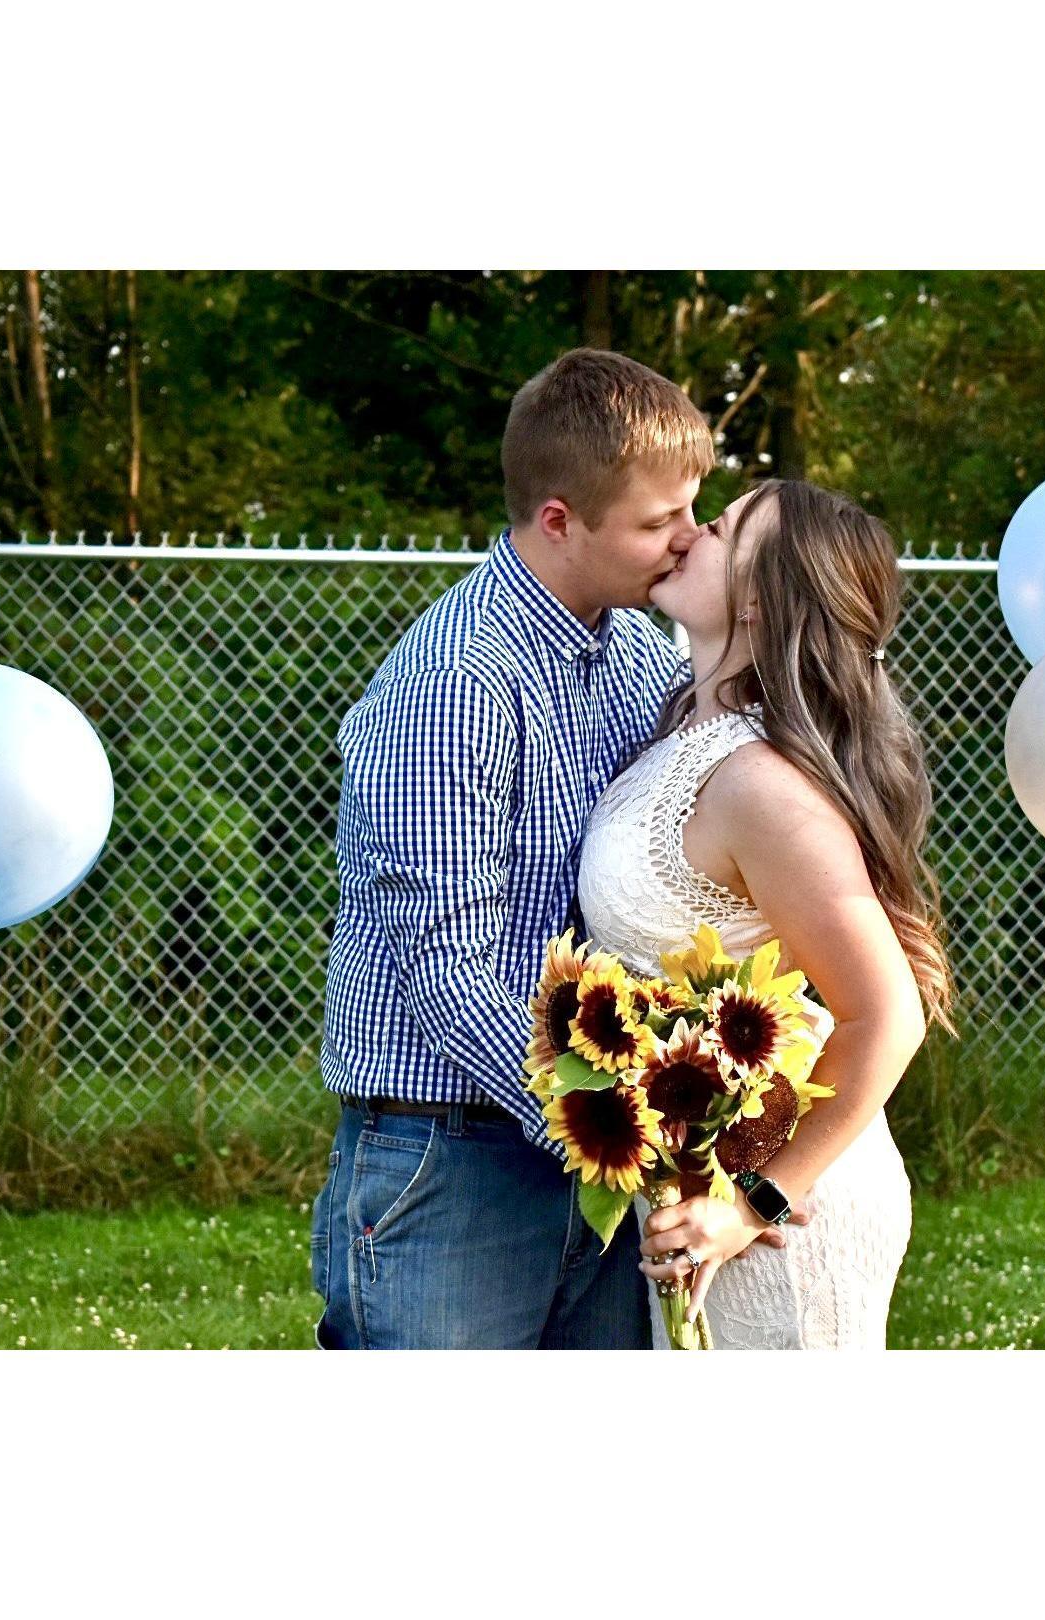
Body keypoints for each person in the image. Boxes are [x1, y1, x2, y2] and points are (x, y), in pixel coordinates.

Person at [310, 348, 718, 1349]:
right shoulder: (457, 683)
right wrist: (618, 1132)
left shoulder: (632, 653)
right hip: (452, 1167)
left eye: (693, 510)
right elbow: (449, 972)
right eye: (659, 521)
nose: (688, 540)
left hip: (586, 1162)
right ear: (558, 521)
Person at [577, 479, 955, 1349]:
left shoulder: (760, 787)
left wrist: (755, 1204)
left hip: (780, 1219)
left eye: (715, 528)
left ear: (757, 599)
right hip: (695, 1192)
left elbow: (885, 1014)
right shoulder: (679, 724)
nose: (684, 533)